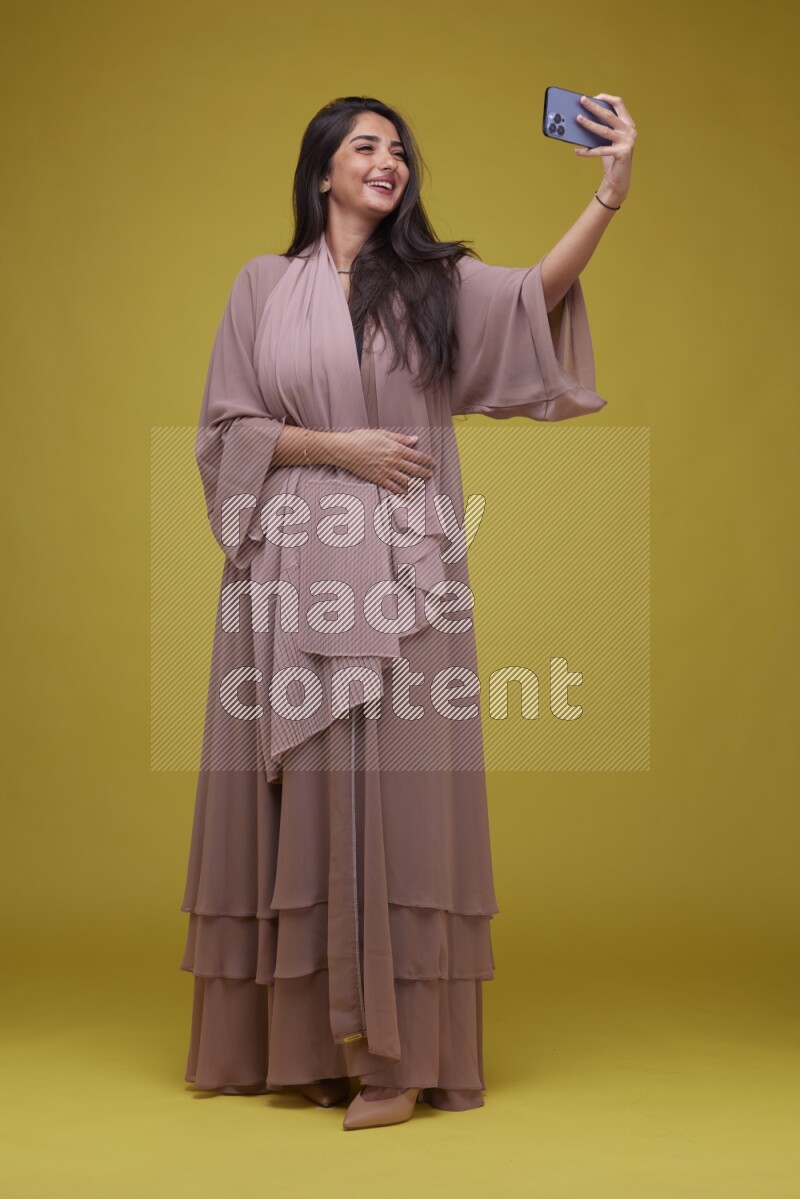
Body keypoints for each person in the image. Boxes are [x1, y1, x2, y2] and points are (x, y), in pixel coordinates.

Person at [179, 93, 636, 1131]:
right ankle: (304, 1046)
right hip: (286, 571)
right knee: (298, 798)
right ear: (323, 171)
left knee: (401, 799)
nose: (387, 161)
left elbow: (533, 299)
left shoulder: (431, 283)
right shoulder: (263, 285)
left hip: (405, 574)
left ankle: (397, 1056)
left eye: (397, 149)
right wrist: (336, 448)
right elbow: (227, 429)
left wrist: (607, 191)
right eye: (364, 146)